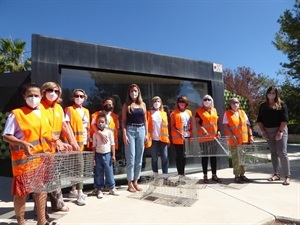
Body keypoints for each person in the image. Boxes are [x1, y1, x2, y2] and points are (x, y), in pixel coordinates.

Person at [2, 83, 53, 225]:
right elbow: (6, 136)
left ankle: (42, 221)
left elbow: (47, 135)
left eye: (36, 95)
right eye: (30, 95)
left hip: (41, 160)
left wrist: (58, 142)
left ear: (41, 96)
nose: (33, 98)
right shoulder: (17, 113)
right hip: (24, 162)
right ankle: (21, 222)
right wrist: (23, 143)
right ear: (24, 96)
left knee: (41, 192)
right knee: (21, 194)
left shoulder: (43, 112)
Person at [40, 81, 77, 213]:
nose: (53, 93)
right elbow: (44, 128)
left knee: (55, 176)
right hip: (41, 149)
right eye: (50, 90)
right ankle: (40, 209)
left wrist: (73, 141)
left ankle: (58, 204)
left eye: (56, 91)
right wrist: (58, 141)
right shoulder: (39, 107)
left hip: (55, 149)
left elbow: (64, 126)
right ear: (43, 91)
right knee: (42, 180)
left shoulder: (59, 108)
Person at [257, 86, 291, 185]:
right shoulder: (263, 105)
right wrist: (263, 131)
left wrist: (280, 132)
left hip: (280, 130)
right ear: (267, 93)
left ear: (276, 94)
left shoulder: (281, 105)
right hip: (268, 131)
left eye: (273, 93)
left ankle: (287, 176)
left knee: (282, 152)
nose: (271, 94)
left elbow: (284, 120)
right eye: (269, 92)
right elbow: (259, 120)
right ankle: (276, 174)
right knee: (273, 153)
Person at [64, 89, 90, 205]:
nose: (79, 98)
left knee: (76, 166)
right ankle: (80, 193)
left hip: (83, 142)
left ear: (85, 98)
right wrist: (71, 141)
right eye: (76, 96)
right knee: (80, 166)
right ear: (73, 97)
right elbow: (66, 125)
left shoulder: (86, 111)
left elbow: (87, 127)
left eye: (81, 96)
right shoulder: (69, 109)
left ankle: (73, 189)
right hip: (74, 142)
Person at [122, 84, 148, 192]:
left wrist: (147, 134)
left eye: (136, 91)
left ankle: (136, 181)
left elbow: (145, 119)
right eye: (132, 91)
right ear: (129, 93)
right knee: (131, 158)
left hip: (141, 130)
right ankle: (129, 183)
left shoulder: (143, 104)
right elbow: (123, 121)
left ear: (139, 92)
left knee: (139, 158)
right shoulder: (126, 105)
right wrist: (124, 134)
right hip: (130, 130)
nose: (134, 93)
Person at [222, 97, 253, 183]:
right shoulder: (227, 113)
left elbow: (248, 125)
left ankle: (242, 174)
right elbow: (225, 126)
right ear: (230, 104)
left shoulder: (242, 113)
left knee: (242, 158)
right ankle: (237, 175)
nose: (235, 104)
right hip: (234, 140)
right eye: (233, 103)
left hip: (244, 140)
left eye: (237, 102)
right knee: (236, 158)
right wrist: (232, 136)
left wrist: (251, 136)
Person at [195, 95, 222, 183]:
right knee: (205, 157)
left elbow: (217, 122)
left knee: (213, 156)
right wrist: (202, 129)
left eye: (209, 99)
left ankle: (214, 175)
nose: (207, 101)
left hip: (214, 137)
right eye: (205, 99)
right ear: (202, 101)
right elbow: (197, 123)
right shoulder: (199, 111)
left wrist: (218, 131)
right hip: (203, 138)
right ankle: (205, 176)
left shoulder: (214, 110)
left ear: (211, 101)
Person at [92, 112, 119, 198]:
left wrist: (113, 155)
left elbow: (112, 144)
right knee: (98, 172)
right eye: (99, 122)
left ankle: (111, 187)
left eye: (102, 122)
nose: (100, 123)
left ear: (106, 123)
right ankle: (99, 189)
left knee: (109, 171)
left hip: (107, 155)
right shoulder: (95, 134)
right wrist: (93, 158)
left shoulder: (109, 132)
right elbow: (94, 146)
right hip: (98, 155)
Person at [146, 96, 170, 182]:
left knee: (165, 158)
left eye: (158, 101)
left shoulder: (164, 113)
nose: (157, 103)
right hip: (153, 139)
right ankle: (156, 176)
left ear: (161, 103)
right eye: (155, 101)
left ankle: (165, 177)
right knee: (154, 158)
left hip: (163, 139)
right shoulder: (148, 113)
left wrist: (168, 138)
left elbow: (166, 127)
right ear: (152, 103)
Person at [170, 96, 192, 177]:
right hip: (178, 138)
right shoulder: (174, 113)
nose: (181, 104)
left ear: (186, 103)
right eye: (180, 102)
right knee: (179, 156)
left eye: (183, 102)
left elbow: (191, 124)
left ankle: (183, 173)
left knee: (185, 156)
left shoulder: (189, 112)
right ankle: (180, 174)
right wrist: (179, 133)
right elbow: (172, 126)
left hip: (187, 136)